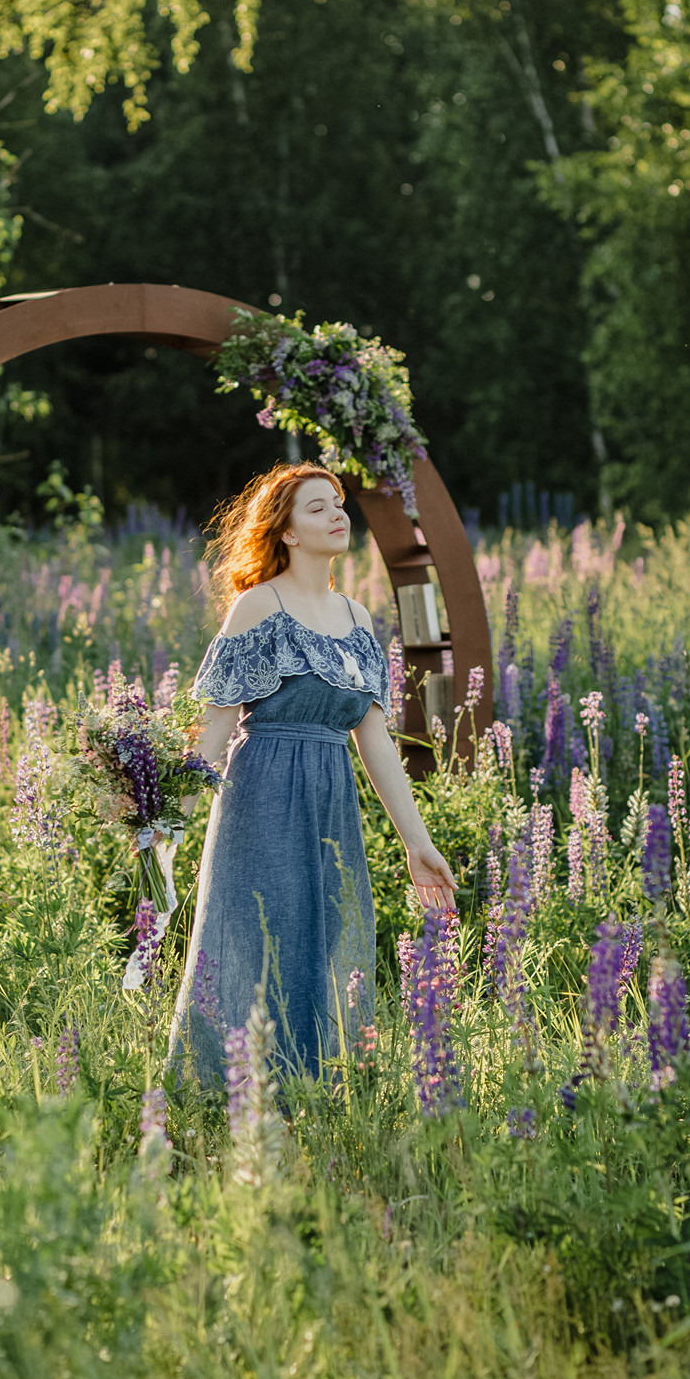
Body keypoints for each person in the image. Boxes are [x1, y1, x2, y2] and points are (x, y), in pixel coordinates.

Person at [167, 462, 456, 1081]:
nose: (337, 514)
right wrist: (169, 823)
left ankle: (310, 1091)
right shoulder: (256, 607)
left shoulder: (355, 618)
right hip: (260, 796)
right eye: (317, 507)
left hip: (331, 801)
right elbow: (216, 729)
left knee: (322, 945)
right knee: (251, 940)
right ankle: (225, 1095)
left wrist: (418, 843)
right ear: (288, 532)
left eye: (338, 503)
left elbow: (375, 740)